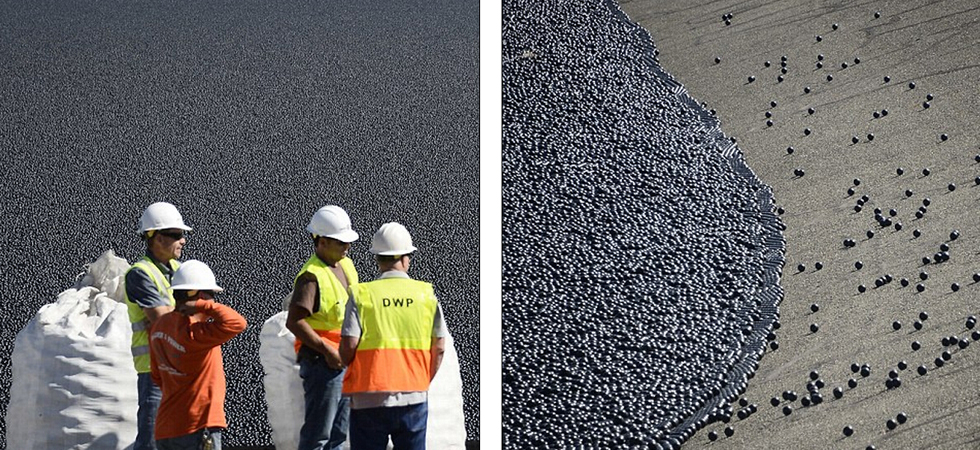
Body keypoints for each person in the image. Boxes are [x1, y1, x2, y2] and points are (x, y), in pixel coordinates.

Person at [340, 222, 447, 450]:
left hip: (368, 396)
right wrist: (422, 379)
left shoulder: (361, 294)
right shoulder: (426, 295)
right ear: (406, 258)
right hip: (413, 395)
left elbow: (349, 345)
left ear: (378, 259)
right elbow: (439, 347)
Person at [149, 260, 247, 450]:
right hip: (197, 425)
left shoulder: (159, 327)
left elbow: (156, 376)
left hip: (165, 429)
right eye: (211, 296)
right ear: (200, 296)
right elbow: (238, 323)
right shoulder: (198, 334)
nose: (213, 302)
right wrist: (203, 305)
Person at [285, 205, 360, 450]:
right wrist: (327, 350)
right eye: (341, 242)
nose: (347, 247)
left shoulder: (345, 265)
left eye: (347, 242)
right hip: (322, 363)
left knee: (339, 435)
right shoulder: (311, 277)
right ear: (322, 241)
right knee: (319, 435)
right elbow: (294, 321)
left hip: (344, 360)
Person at [125, 201, 193, 450]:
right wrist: (189, 314)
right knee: (152, 443)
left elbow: (206, 313)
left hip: (183, 368)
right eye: (176, 234)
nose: (183, 240)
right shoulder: (139, 274)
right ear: (156, 238)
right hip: (155, 372)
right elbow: (162, 320)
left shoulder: (180, 270)